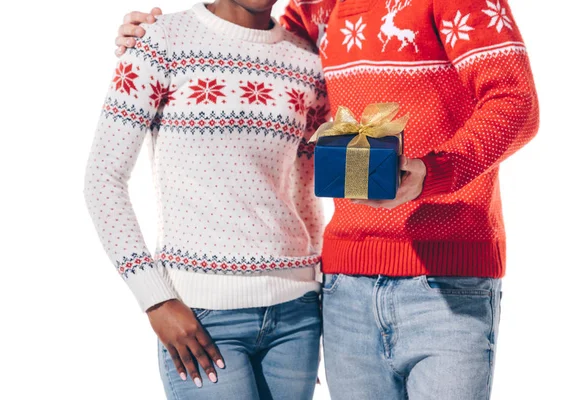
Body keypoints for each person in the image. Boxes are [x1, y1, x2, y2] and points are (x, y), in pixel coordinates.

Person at [116, 0, 539, 398]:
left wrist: (434, 170)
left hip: (447, 282)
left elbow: (516, 103)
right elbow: (251, 43)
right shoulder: (315, 9)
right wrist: (155, 38)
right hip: (343, 290)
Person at [84, 1, 330, 398]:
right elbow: (103, 180)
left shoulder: (305, 60)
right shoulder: (160, 41)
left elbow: (304, 187)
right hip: (200, 316)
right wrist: (156, 300)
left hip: (297, 316)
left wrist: (313, 291)